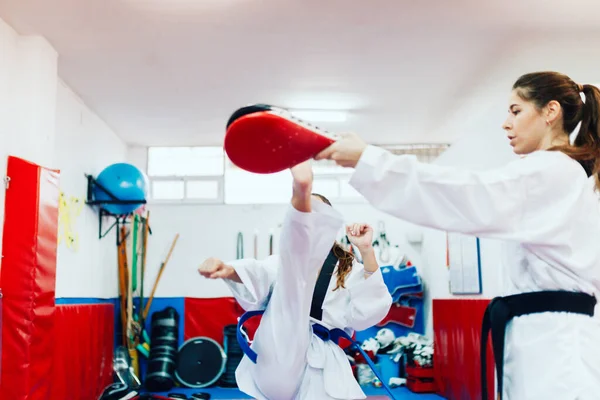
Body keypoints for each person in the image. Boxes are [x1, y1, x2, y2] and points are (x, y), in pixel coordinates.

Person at [315, 71, 600, 399]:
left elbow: (468, 195)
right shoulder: (565, 174)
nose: (506, 123)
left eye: (516, 110)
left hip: (557, 345)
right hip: (547, 337)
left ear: (550, 112)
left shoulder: (552, 171)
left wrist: (369, 161)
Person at [198, 160, 393, 400]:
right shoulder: (282, 263)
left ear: (330, 229)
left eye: (316, 219)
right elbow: (260, 273)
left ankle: (301, 198)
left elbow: (369, 312)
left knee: (292, 284)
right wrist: (228, 270)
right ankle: (300, 193)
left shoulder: (348, 268)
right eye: (308, 218)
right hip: (280, 355)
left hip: (322, 361)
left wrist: (366, 250)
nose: (313, 227)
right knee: (290, 296)